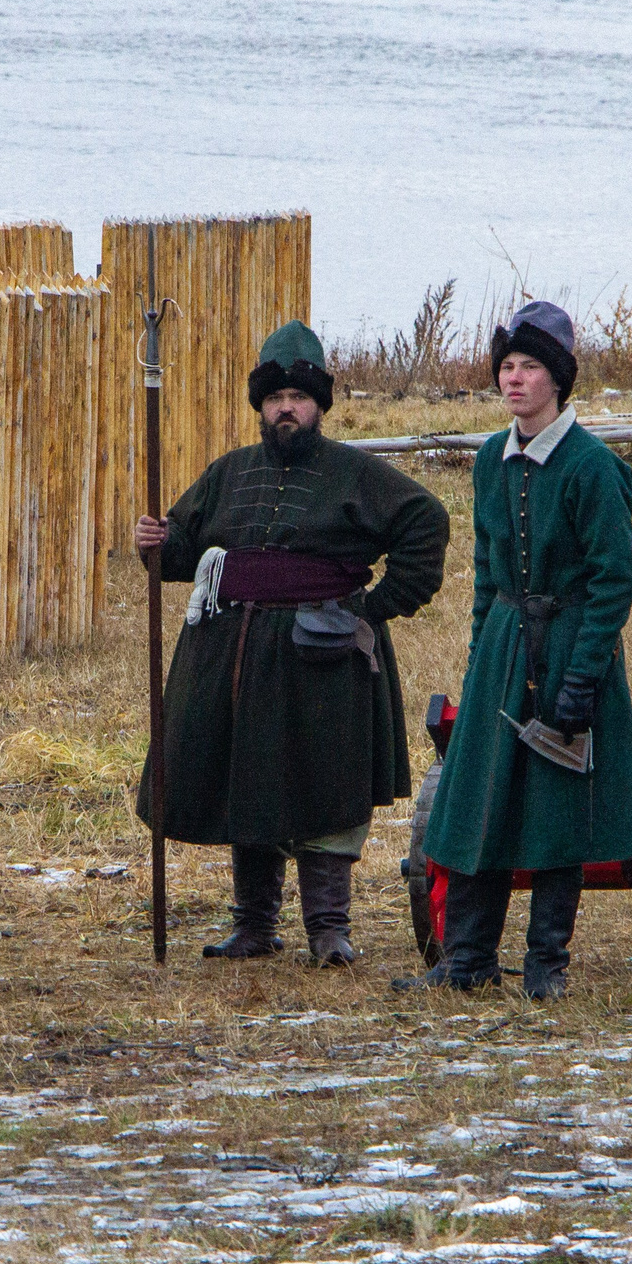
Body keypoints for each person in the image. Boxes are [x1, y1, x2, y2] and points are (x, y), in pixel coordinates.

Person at [134, 320, 449, 967]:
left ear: (319, 406)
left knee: (327, 782)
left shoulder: (355, 474)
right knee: (247, 779)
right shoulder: (230, 473)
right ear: (260, 405)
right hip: (237, 651)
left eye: (299, 398)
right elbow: (184, 549)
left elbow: (427, 522)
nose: (286, 408)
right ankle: (252, 925)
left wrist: (374, 607)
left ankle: (328, 929)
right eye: (274, 398)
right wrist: (156, 546)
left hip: (324, 653)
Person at [405, 301, 632, 999]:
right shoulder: (490, 458)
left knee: (554, 808)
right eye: (507, 366)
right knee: (480, 795)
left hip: (570, 645)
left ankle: (546, 966)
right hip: (506, 649)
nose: (514, 379)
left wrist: (582, 680)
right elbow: (486, 570)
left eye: (530, 367)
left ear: (558, 380)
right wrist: (483, 658)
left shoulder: (592, 468)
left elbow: (614, 580)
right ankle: (468, 958)